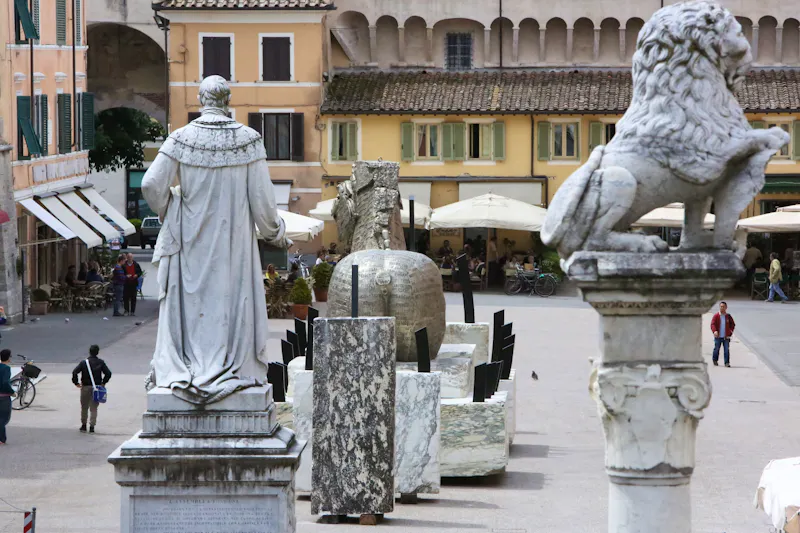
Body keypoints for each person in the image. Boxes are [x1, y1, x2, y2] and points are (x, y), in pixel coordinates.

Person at [141, 76, 291, 404]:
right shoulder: (249, 140)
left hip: (189, 247)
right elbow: (265, 209)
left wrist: (174, 208)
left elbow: (151, 185)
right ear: (227, 100)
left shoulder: (180, 138)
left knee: (192, 310)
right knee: (229, 305)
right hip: (232, 249)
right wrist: (277, 232)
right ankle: (231, 369)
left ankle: (191, 367)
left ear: (200, 100)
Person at [72, 345, 112, 433]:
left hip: (85, 387)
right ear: (97, 352)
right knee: (94, 408)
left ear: (89, 352)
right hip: (96, 388)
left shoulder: (84, 362)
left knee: (84, 407)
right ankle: (92, 426)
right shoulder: (101, 362)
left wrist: (76, 383)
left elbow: (75, 372)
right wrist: (103, 383)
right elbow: (108, 373)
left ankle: (83, 425)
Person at [710, 301, 736, 367]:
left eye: (723, 307)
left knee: (726, 350)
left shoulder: (728, 316)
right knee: (716, 349)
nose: (722, 308)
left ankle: (726, 362)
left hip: (726, 337)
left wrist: (730, 332)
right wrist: (714, 331)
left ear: (726, 308)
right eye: (721, 306)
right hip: (718, 336)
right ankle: (715, 360)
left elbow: (732, 324)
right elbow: (712, 324)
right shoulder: (716, 316)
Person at [0, 349, 13, 445]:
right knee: (3, 418)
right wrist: (12, 392)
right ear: (8, 358)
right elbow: (5, 382)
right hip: (4, 396)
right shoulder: (6, 368)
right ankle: (1, 438)